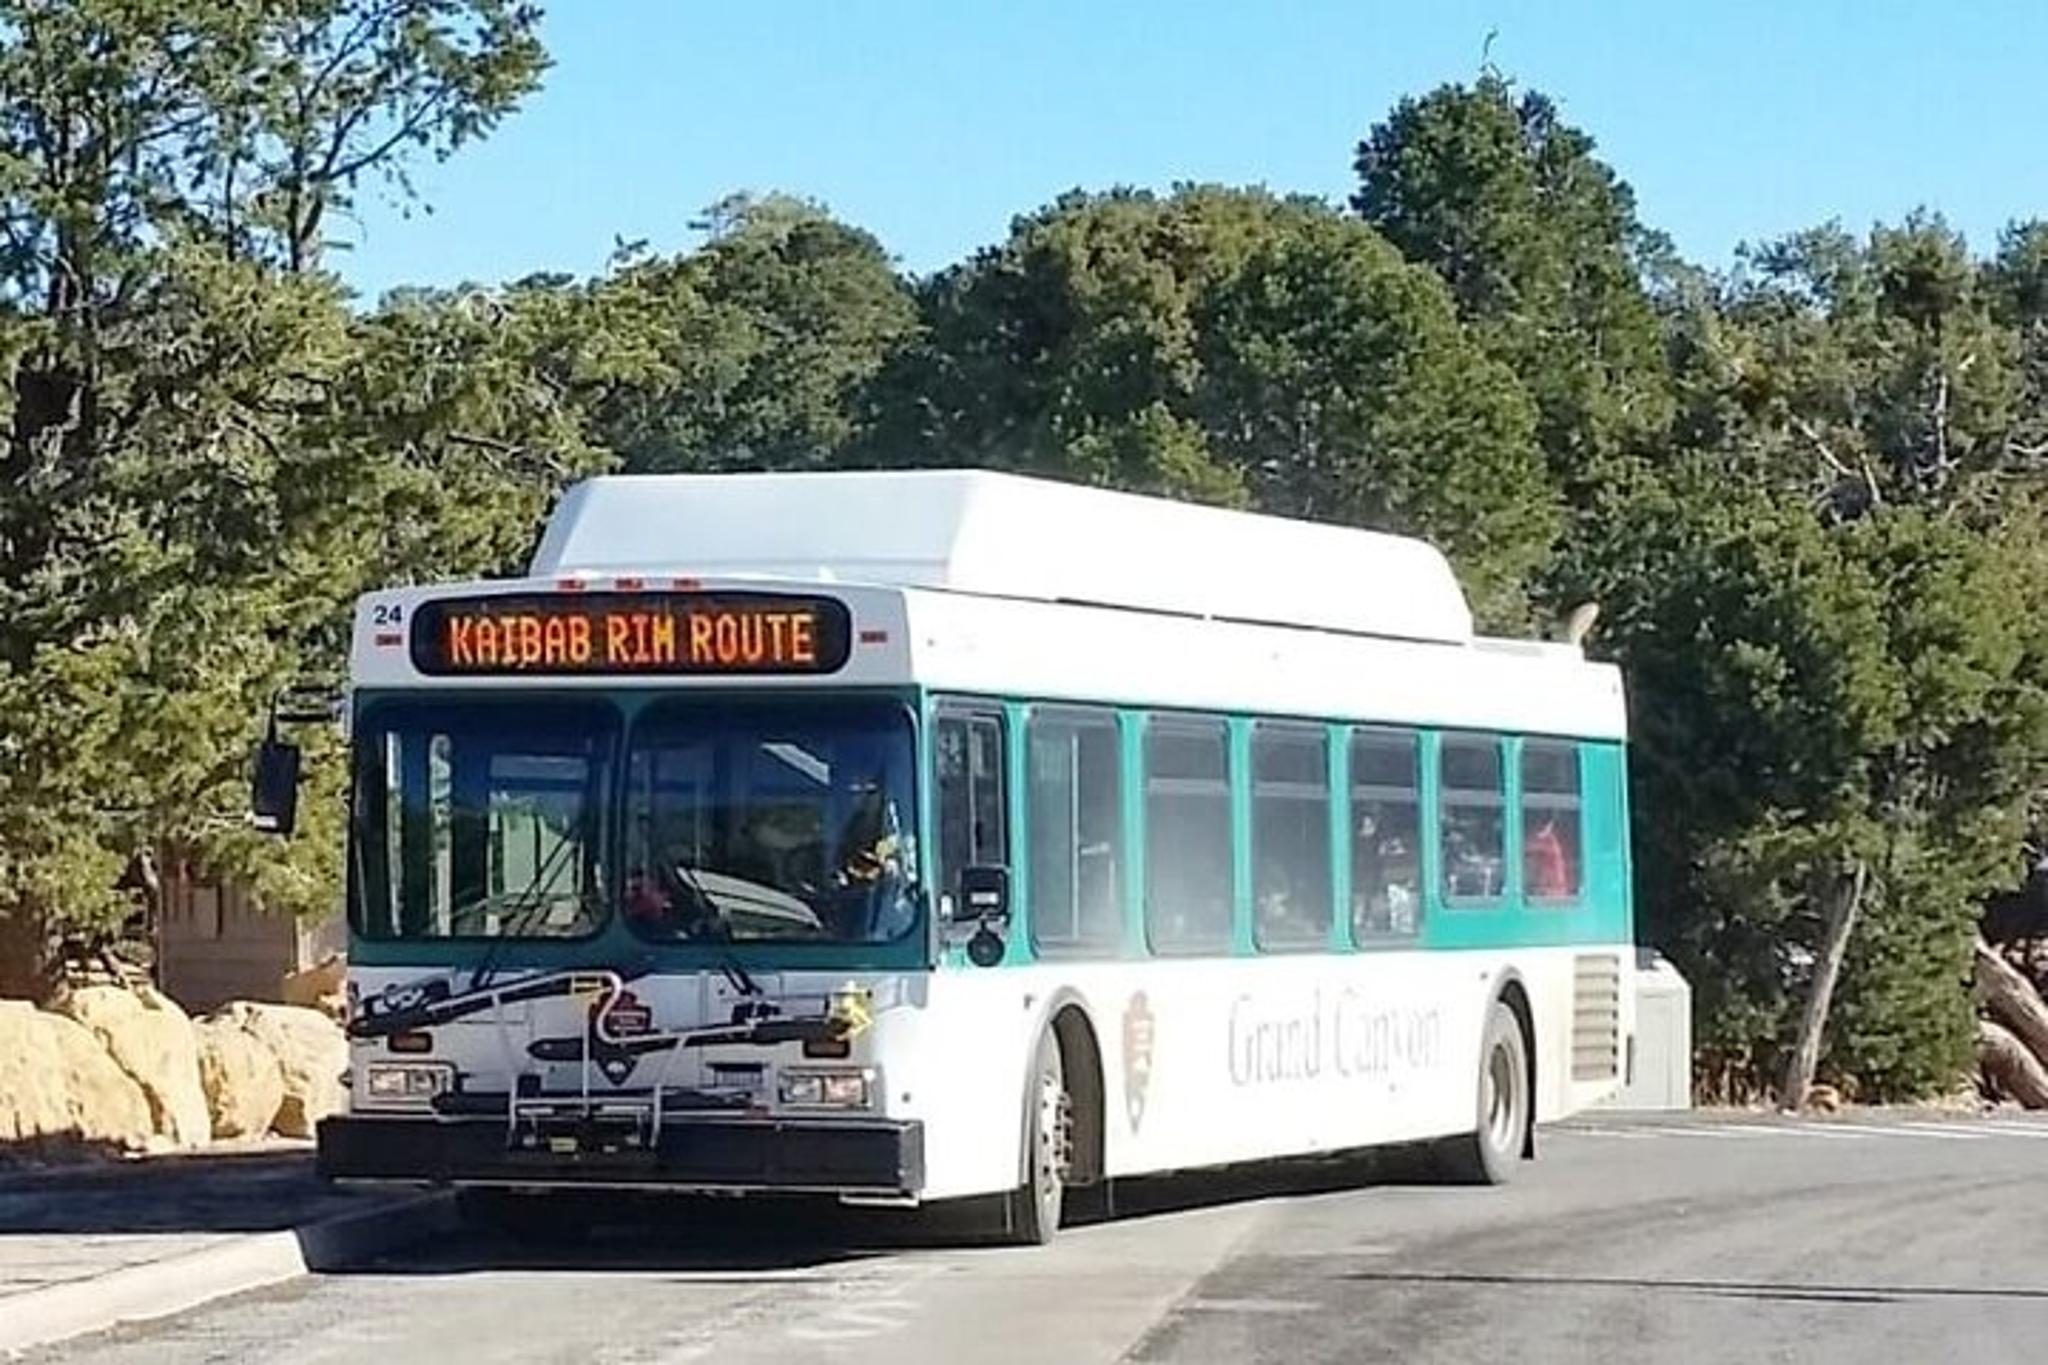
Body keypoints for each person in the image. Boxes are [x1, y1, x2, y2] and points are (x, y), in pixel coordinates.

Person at [1525, 814, 1572, 899]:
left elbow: (1530, 847)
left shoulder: (1550, 841)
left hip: (1555, 885)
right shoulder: (1545, 840)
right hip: (1549, 882)